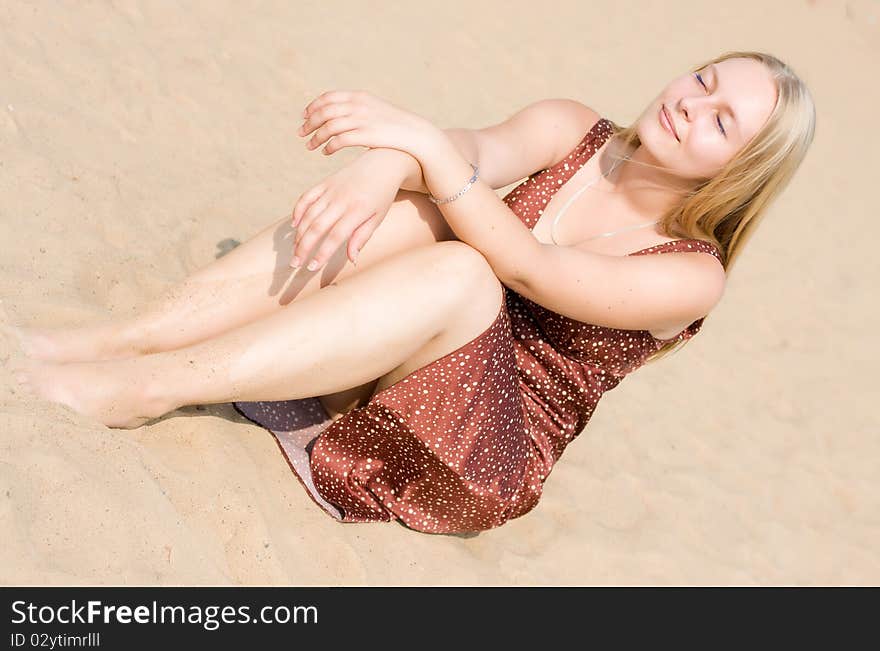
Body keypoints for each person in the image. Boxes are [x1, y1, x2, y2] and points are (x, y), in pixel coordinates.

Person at [10, 50, 815, 534]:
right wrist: (389, 162)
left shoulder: (691, 274)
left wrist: (418, 145)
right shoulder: (577, 128)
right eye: (704, 78)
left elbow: (529, 270)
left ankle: (144, 387)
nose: (689, 102)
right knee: (422, 210)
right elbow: (470, 149)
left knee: (465, 260)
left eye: (721, 121)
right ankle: (131, 336)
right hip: (398, 348)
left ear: (736, 170)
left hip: (472, 449)